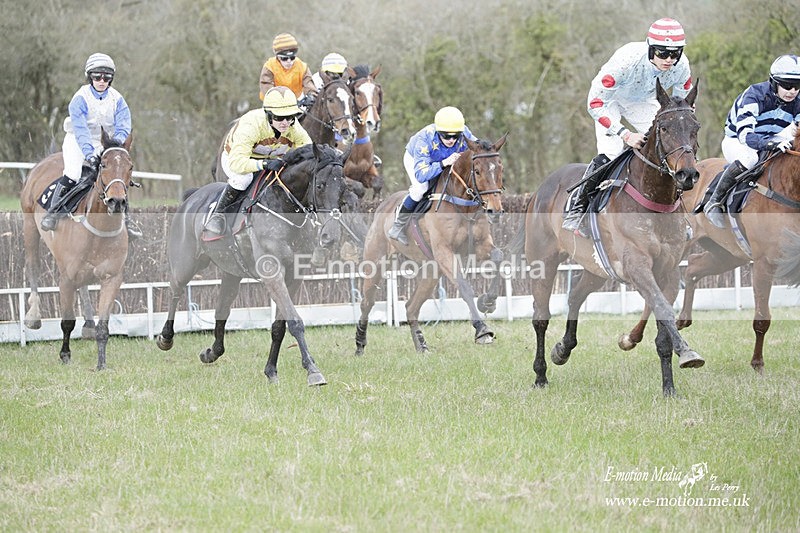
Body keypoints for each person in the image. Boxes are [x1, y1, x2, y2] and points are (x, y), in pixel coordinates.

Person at [563, 18, 694, 233]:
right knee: (610, 153)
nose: (669, 59)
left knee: (672, 149)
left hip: (642, 102)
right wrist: (625, 134)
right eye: (662, 53)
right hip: (609, 101)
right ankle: (579, 208)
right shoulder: (627, 61)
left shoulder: (682, 66)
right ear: (650, 47)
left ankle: (680, 212)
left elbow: (683, 107)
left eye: (675, 53)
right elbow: (595, 104)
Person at [41, 52, 140, 238]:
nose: (102, 81)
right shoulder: (80, 98)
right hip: (77, 140)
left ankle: (128, 221)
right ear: (90, 77)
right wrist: (90, 152)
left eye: (106, 77)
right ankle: (53, 213)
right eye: (97, 77)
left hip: (106, 143)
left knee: (116, 177)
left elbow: (124, 126)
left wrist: (114, 146)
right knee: (73, 174)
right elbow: (80, 130)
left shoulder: (118, 100)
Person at [704, 54, 800, 227]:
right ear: (774, 82)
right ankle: (714, 200)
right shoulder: (754, 95)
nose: (793, 91)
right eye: (787, 85)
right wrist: (770, 144)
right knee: (750, 159)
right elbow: (745, 135)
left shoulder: (798, 101)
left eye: (798, 86)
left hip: (771, 137)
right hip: (737, 140)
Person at [205, 86, 312, 235]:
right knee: (244, 178)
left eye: (290, 117)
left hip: (270, 159)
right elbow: (237, 162)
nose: (285, 123)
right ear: (268, 115)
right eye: (279, 118)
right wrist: (264, 164)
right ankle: (218, 214)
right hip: (236, 159)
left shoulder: (294, 127)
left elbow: (309, 152)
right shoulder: (251, 125)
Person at [387, 106, 477, 245]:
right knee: (420, 190)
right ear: (438, 131)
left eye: (455, 136)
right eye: (446, 136)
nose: (452, 140)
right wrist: (443, 163)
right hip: (418, 161)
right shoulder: (424, 139)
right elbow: (422, 175)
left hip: (444, 159)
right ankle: (398, 226)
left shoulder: (464, 131)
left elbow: (479, 148)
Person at [259, 33, 317, 107]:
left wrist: (311, 96)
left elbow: (309, 85)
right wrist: (283, 100)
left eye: (292, 57)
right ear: (278, 57)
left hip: (294, 103)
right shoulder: (269, 67)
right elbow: (267, 87)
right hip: (273, 103)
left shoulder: (302, 67)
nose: (289, 61)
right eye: (284, 58)